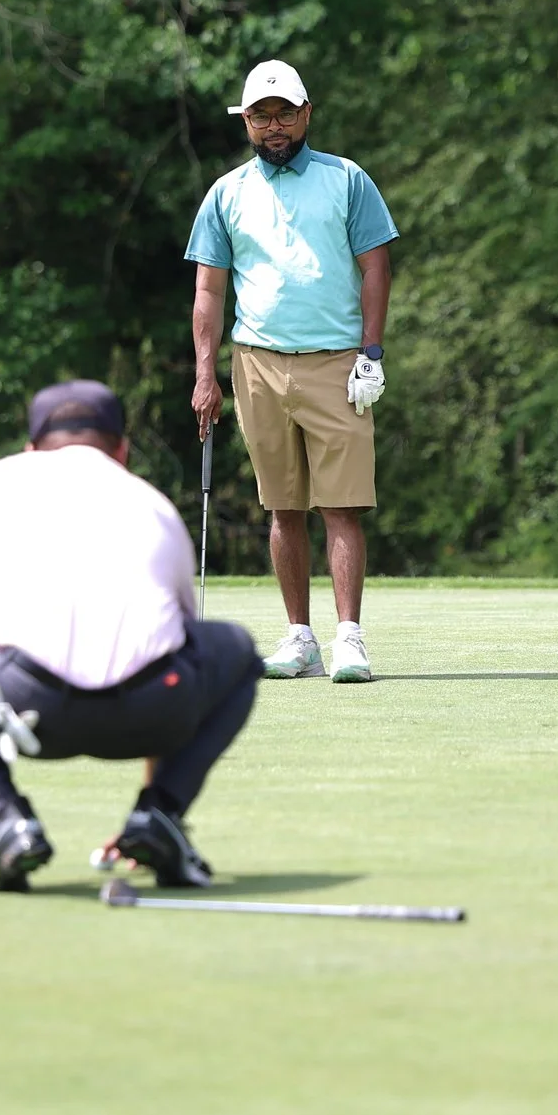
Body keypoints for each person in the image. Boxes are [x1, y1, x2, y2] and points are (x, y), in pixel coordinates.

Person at [0, 380, 260, 894]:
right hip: (152, 711)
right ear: (122, 450)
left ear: (30, 448)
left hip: (27, 708)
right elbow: (174, 642)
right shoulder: (154, 504)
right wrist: (153, 796)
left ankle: (8, 823)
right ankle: (160, 816)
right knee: (238, 651)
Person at [185, 58, 399, 683]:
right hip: (256, 363)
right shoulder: (226, 193)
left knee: (342, 506)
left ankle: (349, 638)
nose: (273, 126)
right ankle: (300, 638)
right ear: (245, 122)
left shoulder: (347, 179)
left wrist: (372, 352)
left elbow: (376, 268)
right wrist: (205, 374)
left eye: (284, 114)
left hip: (337, 362)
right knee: (282, 508)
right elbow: (208, 291)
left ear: (307, 114)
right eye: (261, 116)